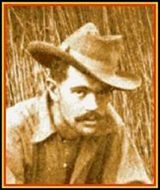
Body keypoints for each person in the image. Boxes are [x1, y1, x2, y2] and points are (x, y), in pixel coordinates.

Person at [6, 23, 151, 184]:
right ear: (54, 89)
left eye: (102, 92)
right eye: (80, 92)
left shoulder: (110, 126)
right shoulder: (12, 130)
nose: (93, 105)